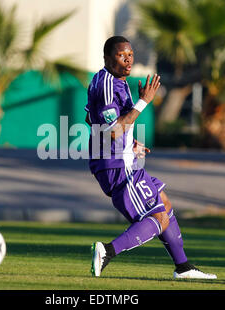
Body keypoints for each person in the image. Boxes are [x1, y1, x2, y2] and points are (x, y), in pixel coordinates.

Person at [85, 36, 217, 279]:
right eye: (121, 55)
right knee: (156, 217)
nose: (127, 59)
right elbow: (113, 131)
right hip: (116, 164)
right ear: (106, 58)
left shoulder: (114, 81)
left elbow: (94, 121)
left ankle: (183, 267)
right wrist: (144, 102)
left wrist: (129, 141)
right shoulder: (106, 84)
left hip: (120, 158)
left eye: (131, 54)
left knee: (163, 203)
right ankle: (107, 251)